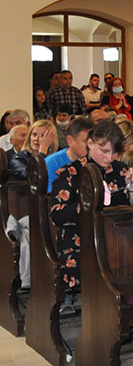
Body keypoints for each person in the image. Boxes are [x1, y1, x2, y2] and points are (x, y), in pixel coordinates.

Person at [50, 119, 130, 312]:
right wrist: (87, 207)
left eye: (114, 152)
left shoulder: (120, 170)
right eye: (104, 151)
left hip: (113, 235)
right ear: (90, 143)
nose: (109, 158)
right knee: (86, 261)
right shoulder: (71, 172)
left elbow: (129, 209)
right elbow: (56, 213)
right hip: (79, 235)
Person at [6, 119, 57, 289]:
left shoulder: (57, 158)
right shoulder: (19, 157)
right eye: (34, 134)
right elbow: (33, 177)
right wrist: (42, 151)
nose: (37, 139)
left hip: (51, 208)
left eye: (43, 136)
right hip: (26, 211)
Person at [45, 116, 93, 191]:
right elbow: (50, 195)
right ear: (70, 141)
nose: (90, 146)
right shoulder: (51, 163)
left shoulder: (96, 160)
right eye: (86, 141)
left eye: (93, 141)